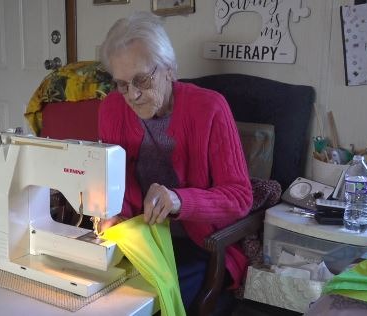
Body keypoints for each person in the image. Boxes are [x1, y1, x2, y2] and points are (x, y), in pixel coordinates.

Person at [97, 11, 253, 312]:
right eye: (122, 84)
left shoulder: (210, 108)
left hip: (196, 244)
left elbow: (240, 197)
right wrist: (113, 214)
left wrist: (179, 201)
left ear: (169, 69)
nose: (133, 94)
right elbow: (111, 178)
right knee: (90, 295)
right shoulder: (111, 109)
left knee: (141, 304)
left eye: (141, 79)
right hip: (138, 241)